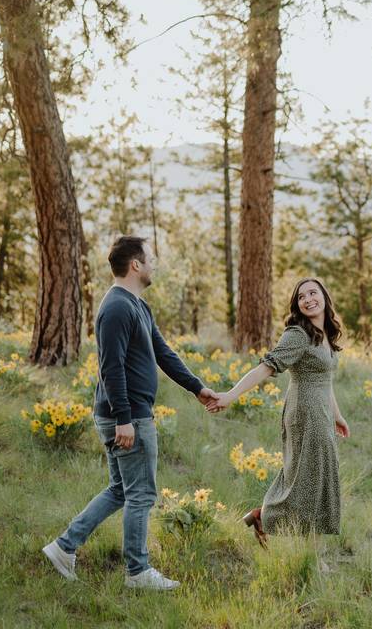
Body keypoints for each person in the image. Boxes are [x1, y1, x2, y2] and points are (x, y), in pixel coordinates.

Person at [42, 236, 220, 590]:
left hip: (129, 412)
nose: (154, 263)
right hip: (127, 415)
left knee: (121, 490)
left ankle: (64, 548)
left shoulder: (138, 305)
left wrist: (197, 388)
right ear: (135, 264)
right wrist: (124, 417)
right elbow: (111, 367)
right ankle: (137, 571)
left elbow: (163, 353)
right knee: (141, 494)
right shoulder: (116, 307)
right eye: (150, 258)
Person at [211, 277, 349, 547]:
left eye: (313, 293)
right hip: (305, 413)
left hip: (322, 412)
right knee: (305, 479)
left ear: (324, 296)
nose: (308, 299)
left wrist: (337, 415)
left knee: (314, 478)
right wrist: (230, 395)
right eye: (301, 296)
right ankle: (280, 528)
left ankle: (266, 519)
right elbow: (267, 366)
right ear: (297, 305)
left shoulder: (325, 337)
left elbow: (326, 381)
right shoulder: (298, 335)